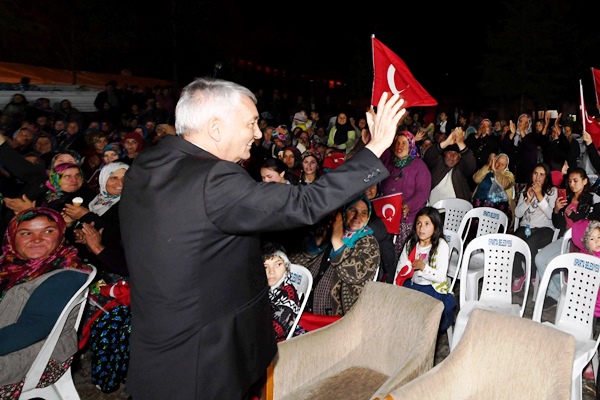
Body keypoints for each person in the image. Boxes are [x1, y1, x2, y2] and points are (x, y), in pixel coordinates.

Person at [118, 77, 406, 399]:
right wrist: (376, 147)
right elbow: (305, 203)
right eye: (251, 123)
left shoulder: (147, 164)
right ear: (216, 128)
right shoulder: (214, 179)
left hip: (156, 349)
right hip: (204, 364)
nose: (258, 134)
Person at [0, 207, 93, 398]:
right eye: (26, 233)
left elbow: (30, 329)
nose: (36, 239)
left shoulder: (65, 276)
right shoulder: (11, 268)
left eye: (48, 231)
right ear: (12, 239)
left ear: (60, 235)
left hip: (31, 358)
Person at [289, 194, 380, 316]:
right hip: (301, 305)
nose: (357, 216)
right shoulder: (328, 230)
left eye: (364, 213)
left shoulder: (368, 242)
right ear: (343, 212)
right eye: (353, 210)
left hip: (333, 316)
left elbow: (355, 275)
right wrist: (319, 242)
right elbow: (293, 263)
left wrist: (337, 241)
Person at [535, 167, 600, 310]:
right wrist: (557, 210)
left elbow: (591, 225)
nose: (572, 184)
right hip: (564, 239)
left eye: (576, 181)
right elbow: (558, 224)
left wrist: (573, 215)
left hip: (582, 245)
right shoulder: (568, 198)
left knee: (555, 263)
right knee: (540, 259)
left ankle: (564, 295)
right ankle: (556, 293)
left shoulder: (593, 200)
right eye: (570, 181)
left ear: (585, 181)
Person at [393, 206, 456, 332]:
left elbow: (440, 277)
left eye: (427, 224)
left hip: (432, 288)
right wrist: (395, 287)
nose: (422, 228)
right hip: (413, 285)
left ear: (435, 226)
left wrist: (423, 268)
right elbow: (400, 268)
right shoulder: (411, 243)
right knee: (399, 311)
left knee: (426, 317)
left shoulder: (441, 245)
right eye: (419, 224)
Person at [379, 131, 431, 257]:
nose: (399, 146)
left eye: (403, 143)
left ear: (411, 145)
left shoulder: (419, 166)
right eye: (397, 143)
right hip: (386, 213)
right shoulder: (389, 161)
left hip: (406, 218)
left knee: (397, 254)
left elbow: (422, 192)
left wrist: (409, 205)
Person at [511, 162, 557, 292]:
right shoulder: (526, 189)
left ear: (546, 177)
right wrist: (527, 200)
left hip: (545, 229)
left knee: (530, 243)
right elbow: (518, 213)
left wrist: (540, 196)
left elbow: (551, 215)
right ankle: (519, 274)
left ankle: (532, 276)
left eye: (541, 174)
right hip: (526, 227)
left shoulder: (552, 191)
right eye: (535, 173)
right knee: (512, 242)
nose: (537, 177)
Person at [262, 243, 305, 342]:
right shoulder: (265, 286)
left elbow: (274, 332)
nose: (271, 271)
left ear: (286, 266)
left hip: (284, 344)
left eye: (278, 265)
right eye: (265, 267)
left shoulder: (288, 295)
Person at [424, 127, 477, 206]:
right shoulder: (438, 163)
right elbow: (429, 156)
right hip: (433, 209)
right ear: (445, 154)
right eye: (450, 153)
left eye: (455, 154)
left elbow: (471, 164)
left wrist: (460, 143)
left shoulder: (461, 168)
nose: (452, 156)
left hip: (456, 211)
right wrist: (447, 142)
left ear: (459, 158)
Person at [471, 153, 515, 229]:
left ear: (506, 166)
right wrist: (488, 165)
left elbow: (505, 184)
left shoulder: (509, 175)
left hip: (499, 208)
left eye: (502, 164)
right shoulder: (487, 171)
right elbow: (476, 179)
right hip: (480, 205)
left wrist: (496, 172)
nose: (499, 165)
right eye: (498, 162)